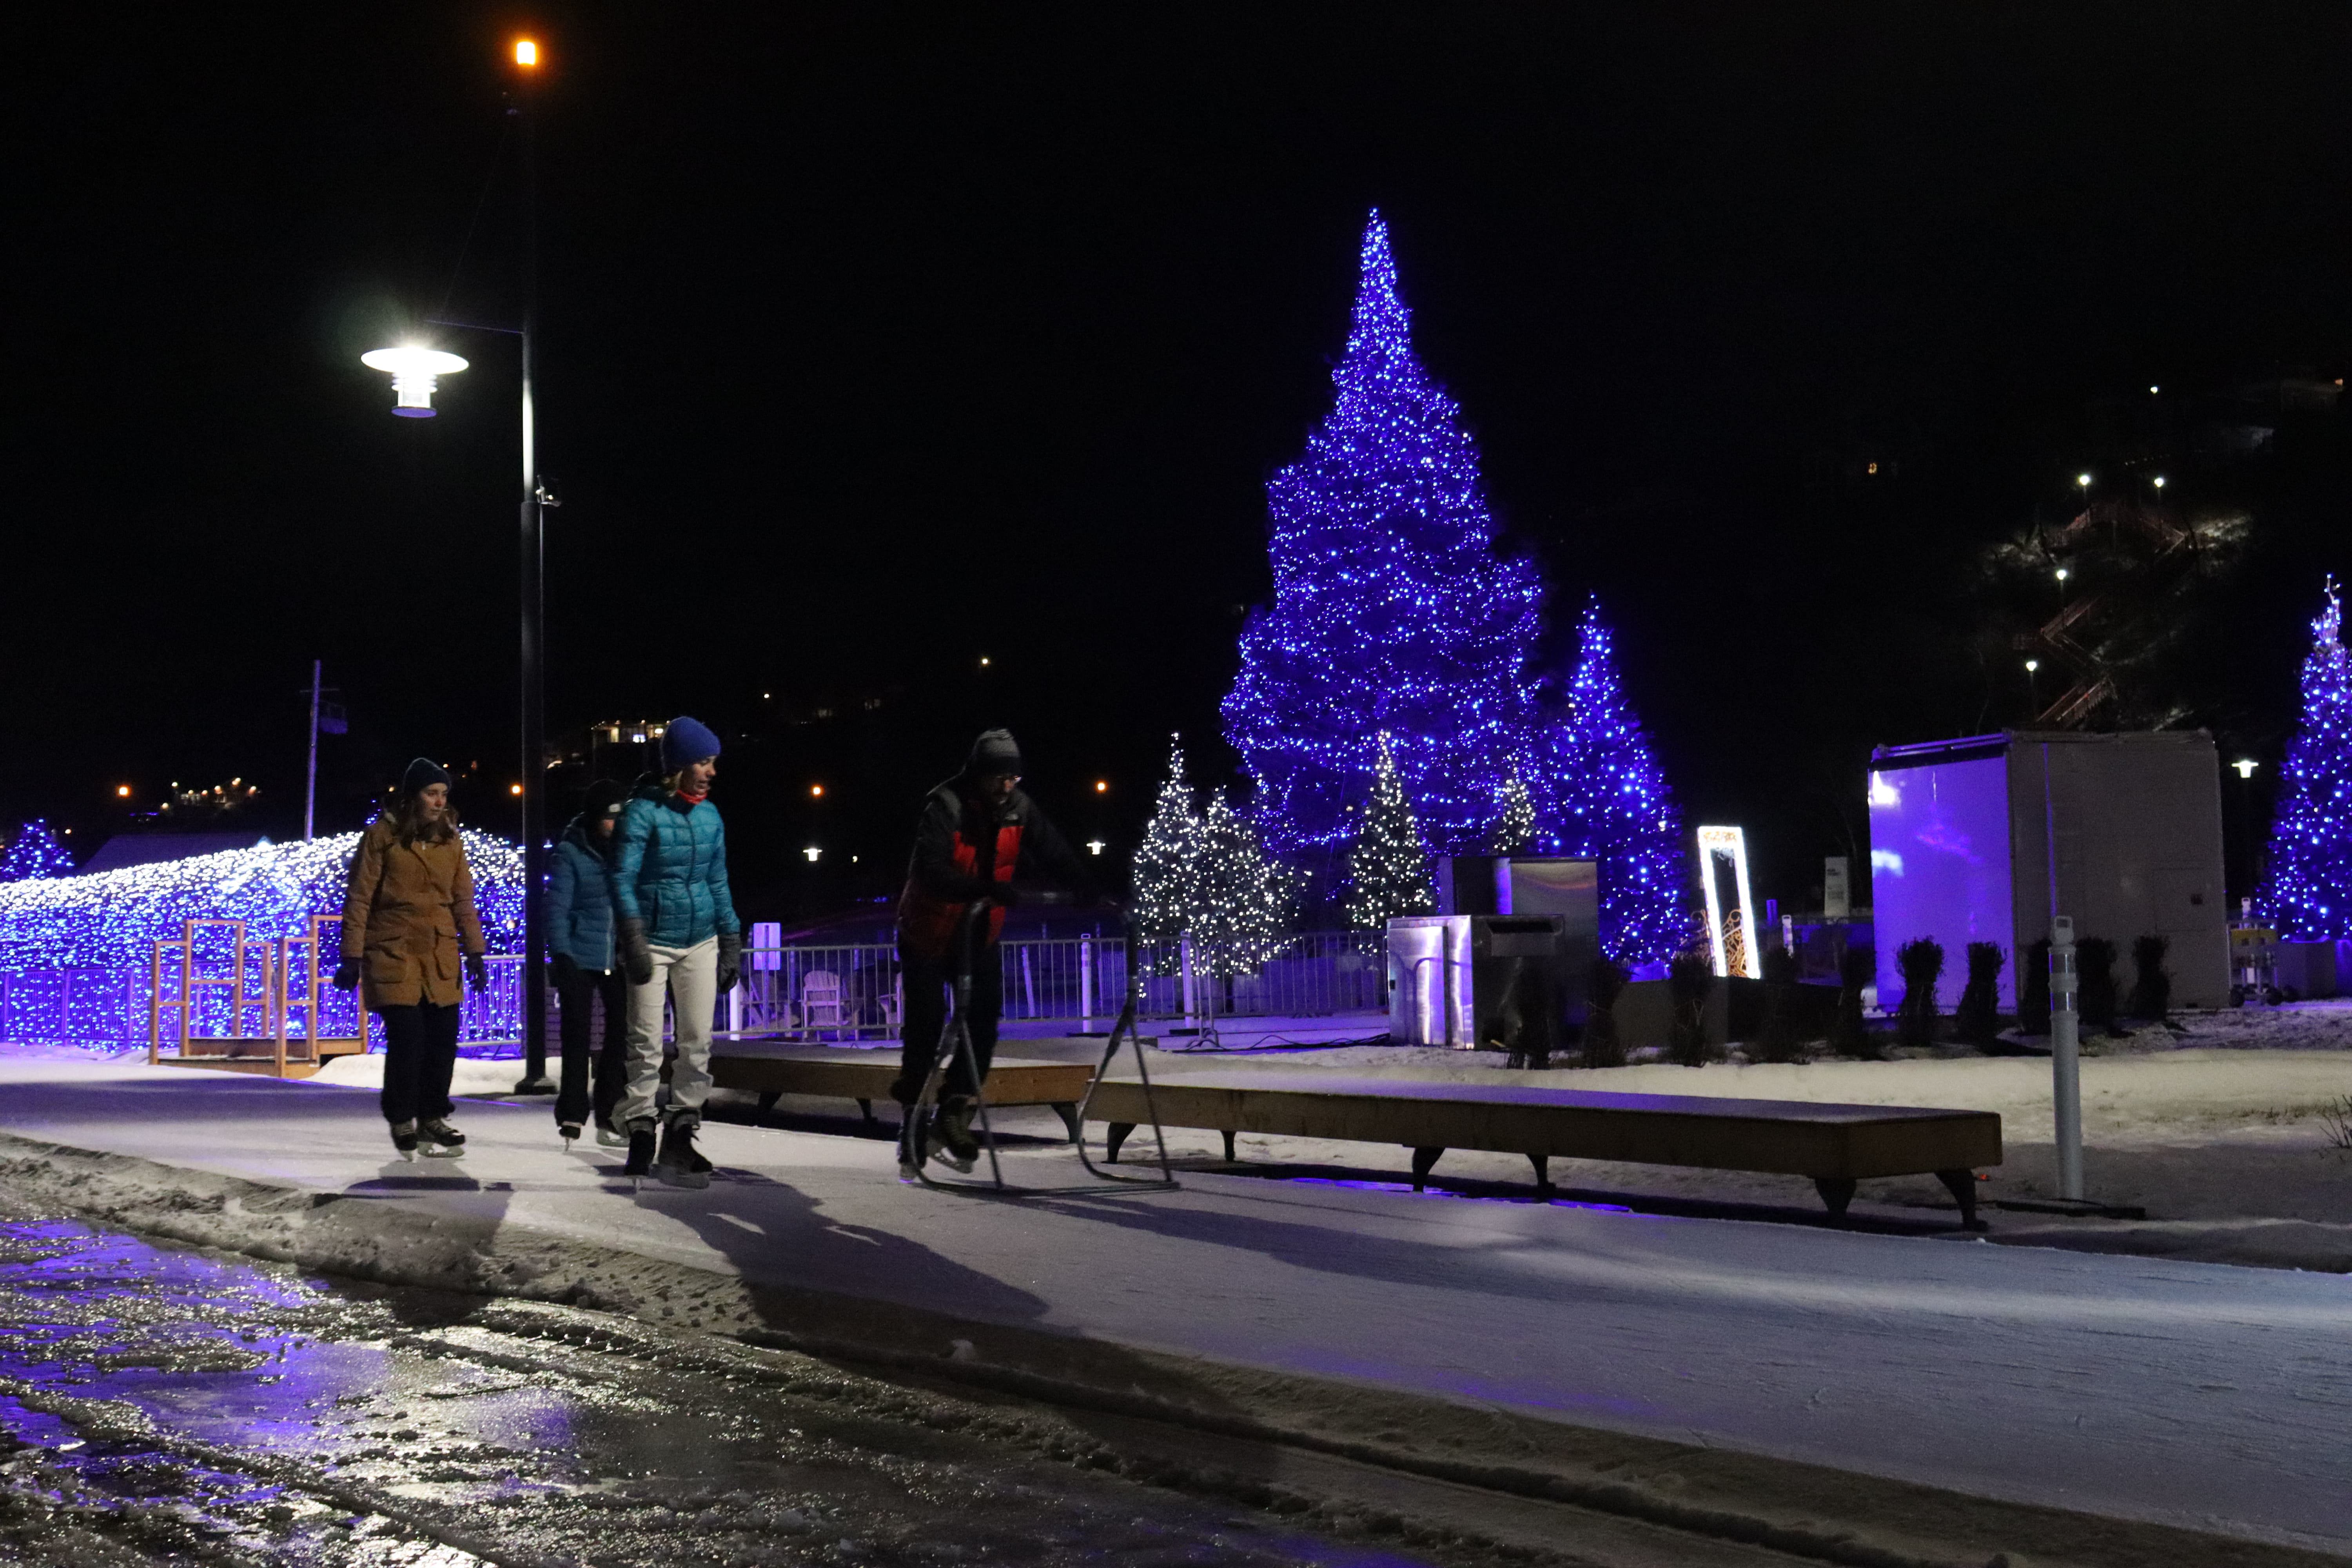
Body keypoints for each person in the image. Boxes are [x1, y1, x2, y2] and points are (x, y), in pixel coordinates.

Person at [892, 728, 1087, 1174]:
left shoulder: (1019, 808)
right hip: (928, 930)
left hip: (978, 931)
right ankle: (913, 1122)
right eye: (999, 776)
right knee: (925, 1026)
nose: (1007, 785)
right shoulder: (945, 806)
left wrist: (1084, 884)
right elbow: (932, 869)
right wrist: (986, 888)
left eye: (1013, 777)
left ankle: (955, 1110)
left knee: (983, 1023)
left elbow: (1053, 847)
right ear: (979, 774)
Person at [333, 758, 490, 1160]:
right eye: (431, 793)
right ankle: (402, 1115)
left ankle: (433, 1116)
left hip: (438, 953)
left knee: (442, 1039)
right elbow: (360, 898)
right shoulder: (381, 837)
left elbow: (462, 899)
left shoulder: (451, 841)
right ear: (412, 796)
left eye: (443, 794)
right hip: (394, 949)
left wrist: (475, 951)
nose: (439, 802)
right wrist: (351, 956)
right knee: (409, 1038)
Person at [611, 716, 742, 1188]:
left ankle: (681, 1133)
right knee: (644, 1042)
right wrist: (634, 939)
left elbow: (717, 881)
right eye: (703, 763)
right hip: (653, 940)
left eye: (712, 763)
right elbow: (621, 878)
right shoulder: (641, 813)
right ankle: (641, 1128)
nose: (710, 772)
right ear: (679, 766)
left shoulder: (710, 817)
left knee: (697, 1041)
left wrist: (730, 939)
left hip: (700, 939)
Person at [546, 778, 631, 1146]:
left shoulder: (628, 853)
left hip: (618, 956)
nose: (616, 825)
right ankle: (572, 1111)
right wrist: (562, 954)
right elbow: (558, 909)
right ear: (596, 818)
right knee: (577, 1034)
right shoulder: (571, 852)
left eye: (620, 817)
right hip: (580, 955)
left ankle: (610, 1112)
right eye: (611, 818)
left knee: (621, 1034)